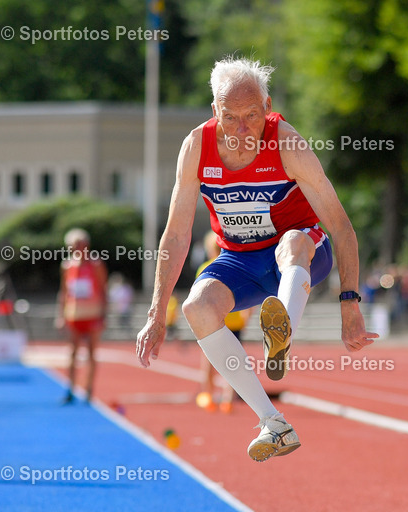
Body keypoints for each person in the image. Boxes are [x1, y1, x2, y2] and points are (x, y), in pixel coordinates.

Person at [136, 57, 377, 462]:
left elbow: (340, 224)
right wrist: (157, 313)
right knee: (197, 307)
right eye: (231, 118)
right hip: (240, 260)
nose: (243, 130)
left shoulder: (287, 142)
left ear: (267, 107)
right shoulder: (196, 146)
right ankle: (274, 423)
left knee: (293, 242)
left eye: (253, 115)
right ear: (215, 111)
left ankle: (280, 327)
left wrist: (349, 301)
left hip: (302, 254)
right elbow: (176, 235)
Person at [195, 232, 252, 413]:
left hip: (212, 322)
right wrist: (247, 315)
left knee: (209, 360)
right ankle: (227, 399)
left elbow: (198, 297)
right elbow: (247, 293)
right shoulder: (238, 266)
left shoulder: (205, 267)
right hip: (234, 321)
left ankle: (209, 396)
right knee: (233, 362)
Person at [56, 229, 107, 403]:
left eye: (80, 245)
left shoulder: (95, 264)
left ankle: (88, 389)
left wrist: (104, 315)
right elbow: (63, 292)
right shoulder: (67, 265)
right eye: (73, 246)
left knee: (91, 353)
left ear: (87, 245)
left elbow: (103, 290)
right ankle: (70, 389)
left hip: (92, 314)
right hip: (73, 315)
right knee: (72, 353)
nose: (77, 248)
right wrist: (61, 315)